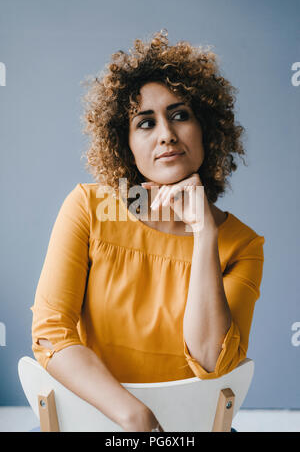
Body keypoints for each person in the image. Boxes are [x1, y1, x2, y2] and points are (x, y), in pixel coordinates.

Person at [31, 29, 265, 432]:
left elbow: (213, 361)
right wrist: (135, 416)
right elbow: (51, 334)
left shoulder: (241, 243)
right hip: (99, 423)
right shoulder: (92, 207)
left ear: (206, 129)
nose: (166, 135)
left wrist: (204, 233)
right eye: (145, 123)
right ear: (126, 145)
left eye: (180, 115)